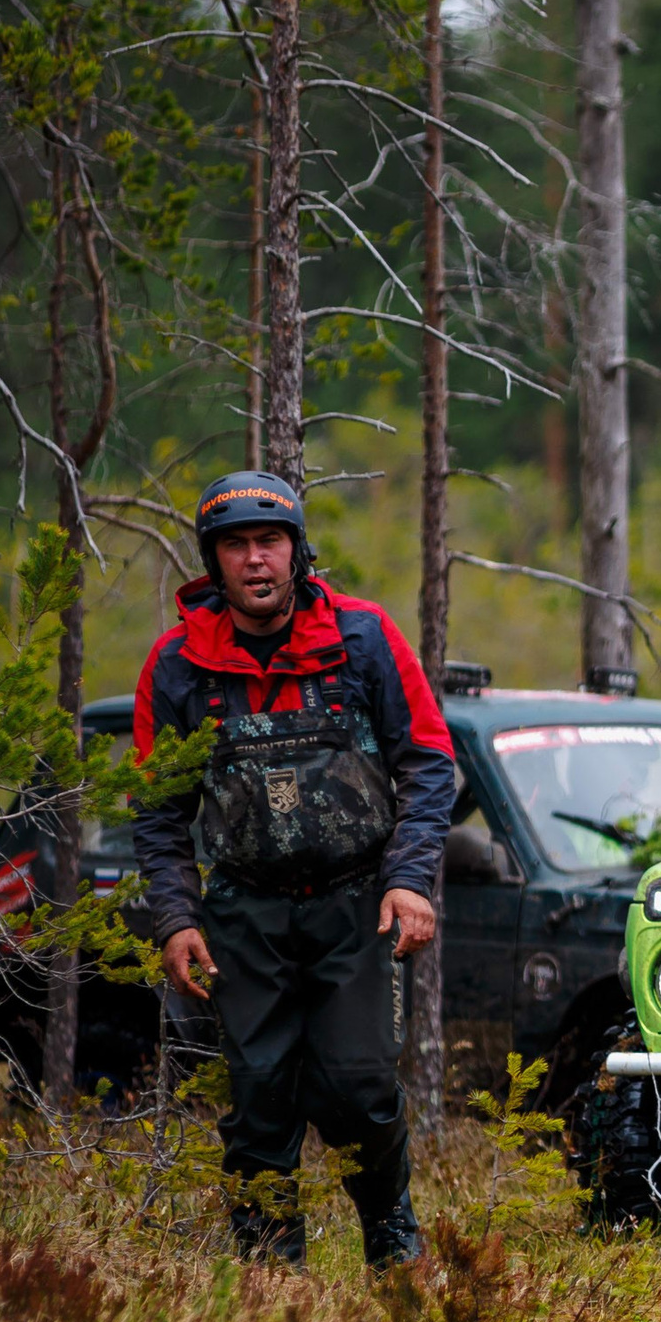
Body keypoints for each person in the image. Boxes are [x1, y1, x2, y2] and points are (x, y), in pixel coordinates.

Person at [133, 473, 457, 1266]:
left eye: (268, 542)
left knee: (357, 1086)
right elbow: (157, 811)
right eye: (235, 546)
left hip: (356, 908)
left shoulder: (364, 636)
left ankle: (391, 1231)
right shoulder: (176, 667)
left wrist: (410, 878)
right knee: (259, 1098)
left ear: (296, 551)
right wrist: (177, 918)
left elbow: (428, 761)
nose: (254, 561)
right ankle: (272, 1272)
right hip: (243, 916)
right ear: (213, 562)